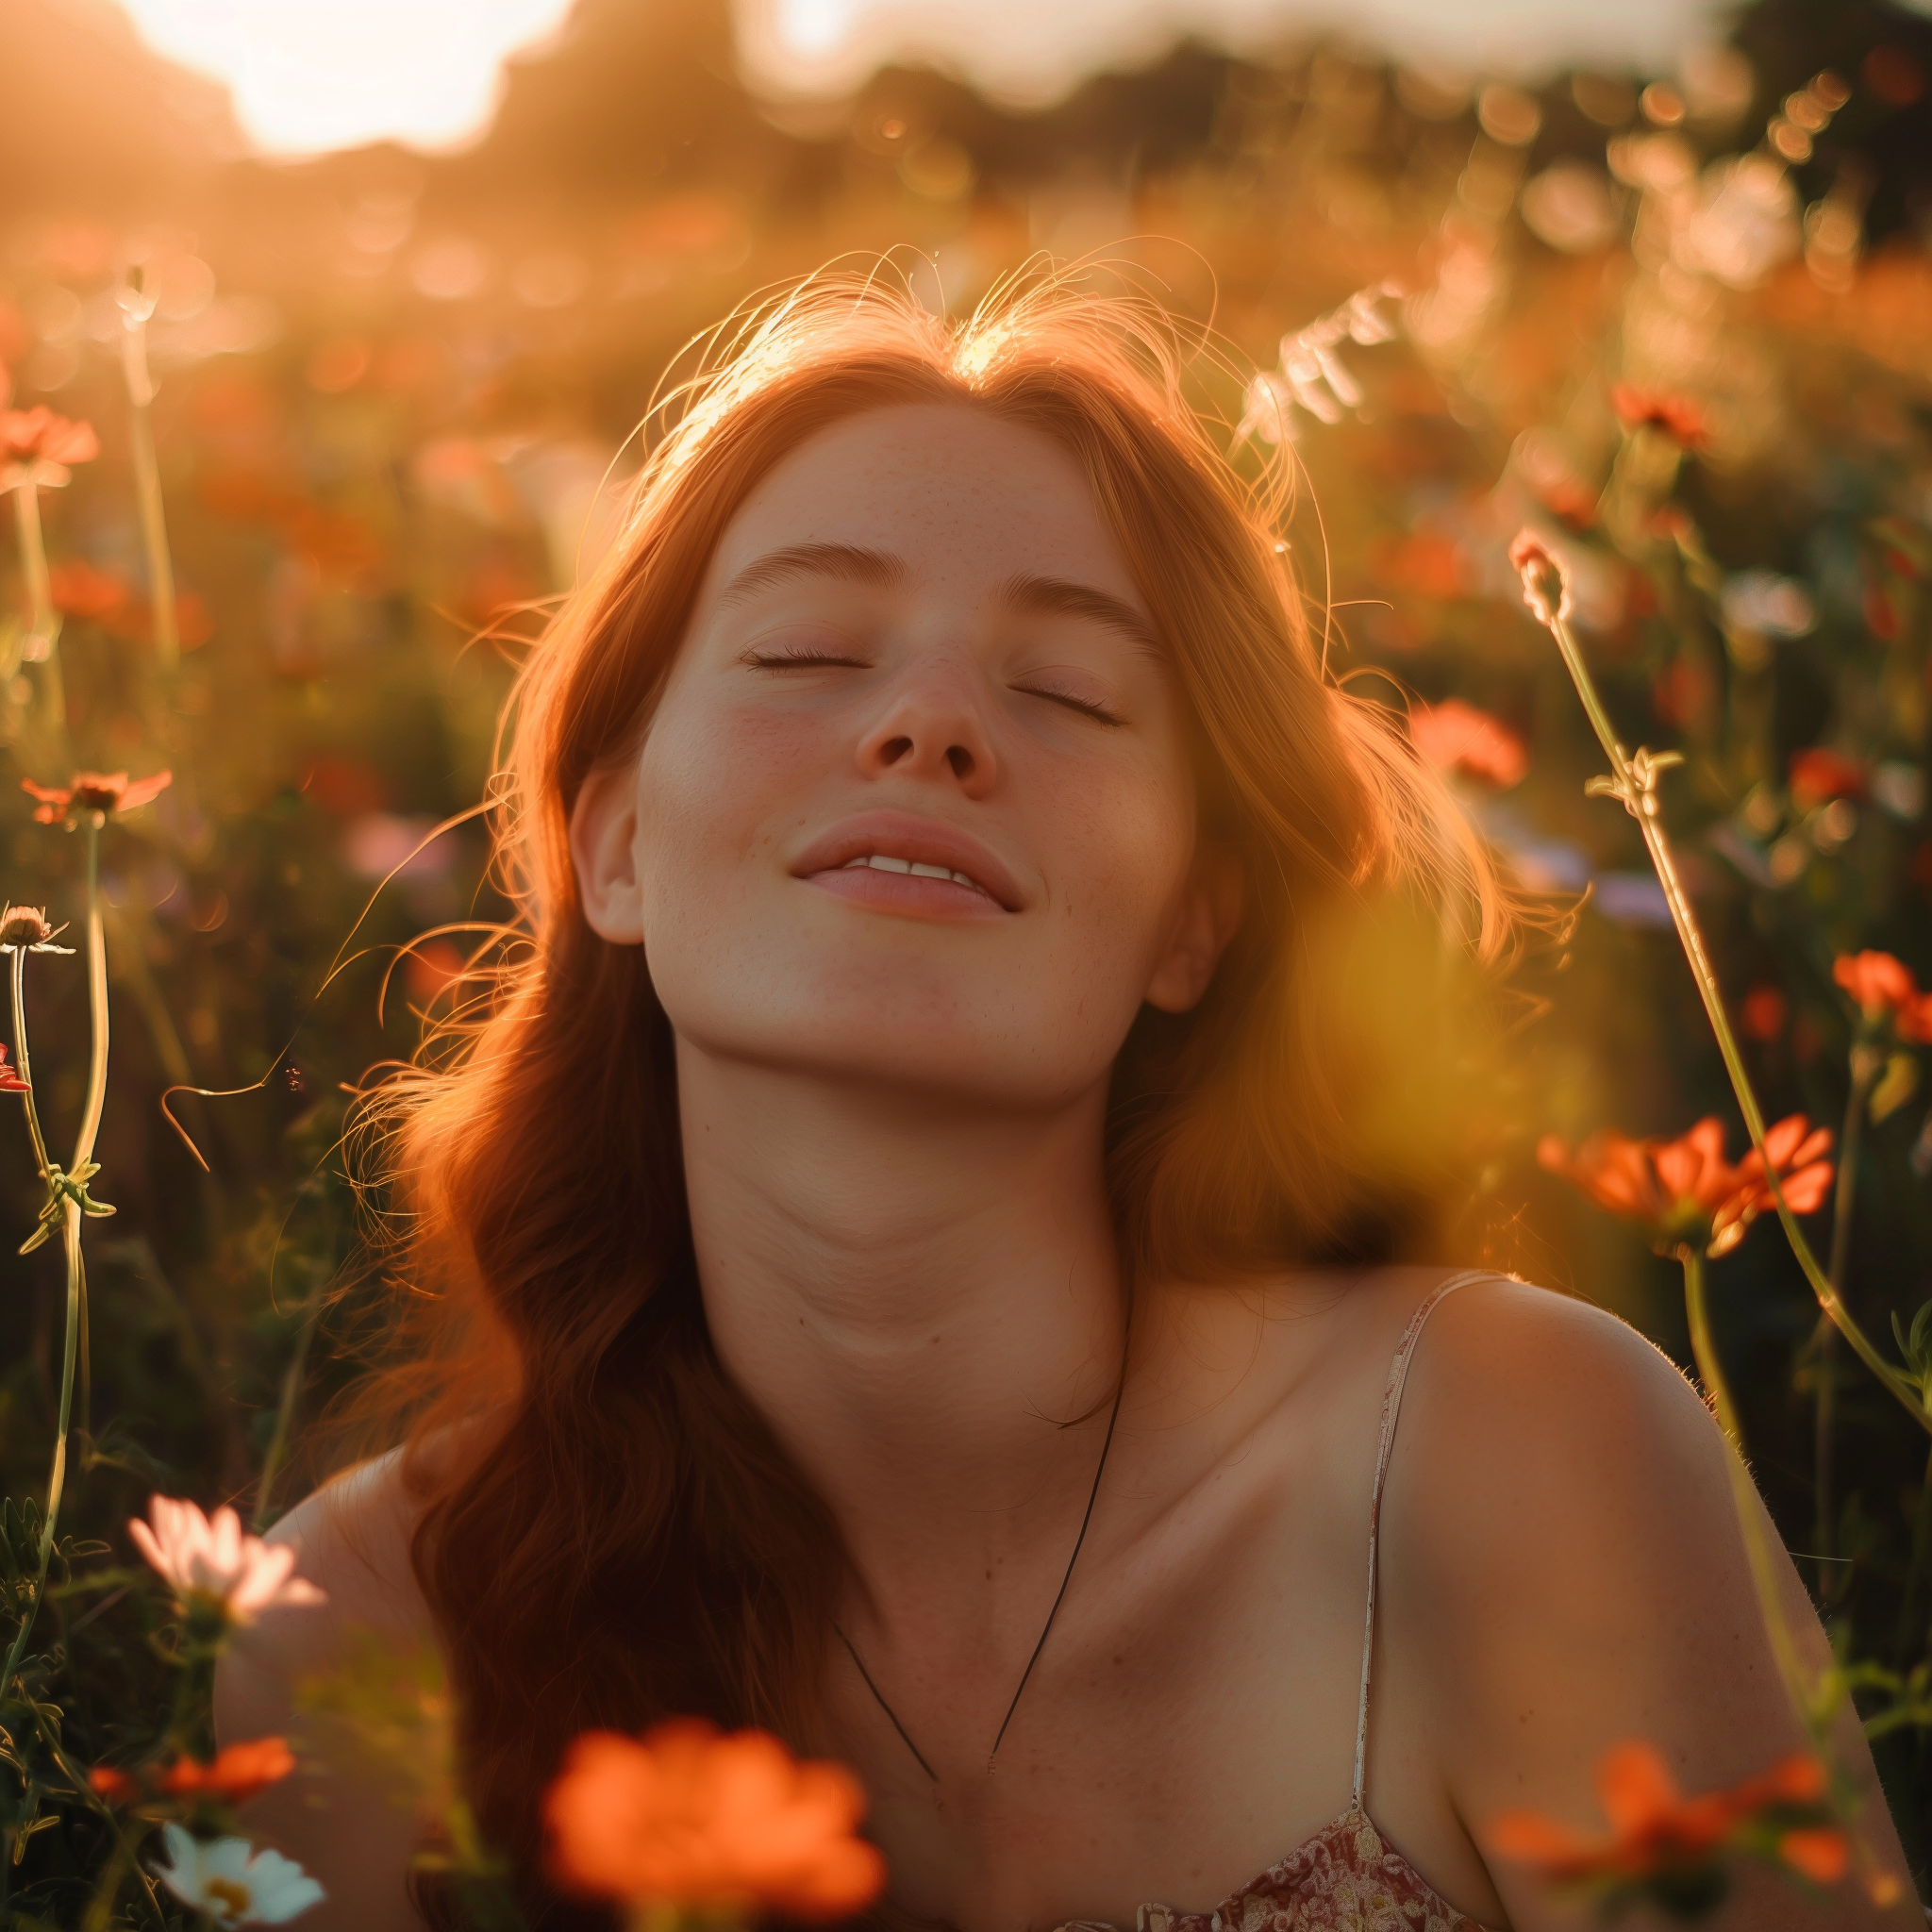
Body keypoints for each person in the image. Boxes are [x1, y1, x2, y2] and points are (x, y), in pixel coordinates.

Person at [216, 274, 1907, 1931]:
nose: (931, 723)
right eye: (806, 650)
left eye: (1071, 691)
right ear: (617, 843)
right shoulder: (356, 1644)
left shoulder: (1516, 1460)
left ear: (1196, 918)